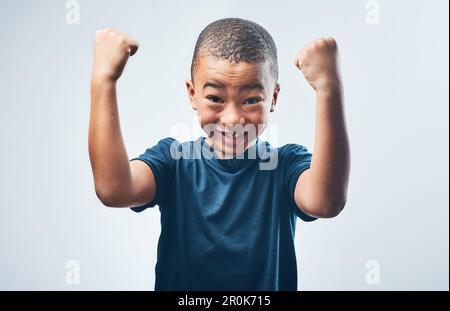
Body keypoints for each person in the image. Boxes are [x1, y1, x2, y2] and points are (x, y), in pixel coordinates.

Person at [88, 18, 350, 290]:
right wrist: (103, 80)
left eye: (251, 100)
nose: (233, 118)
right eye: (215, 98)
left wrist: (329, 88)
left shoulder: (286, 165)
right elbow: (114, 190)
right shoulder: (173, 161)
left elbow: (326, 202)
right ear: (192, 94)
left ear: (273, 98)